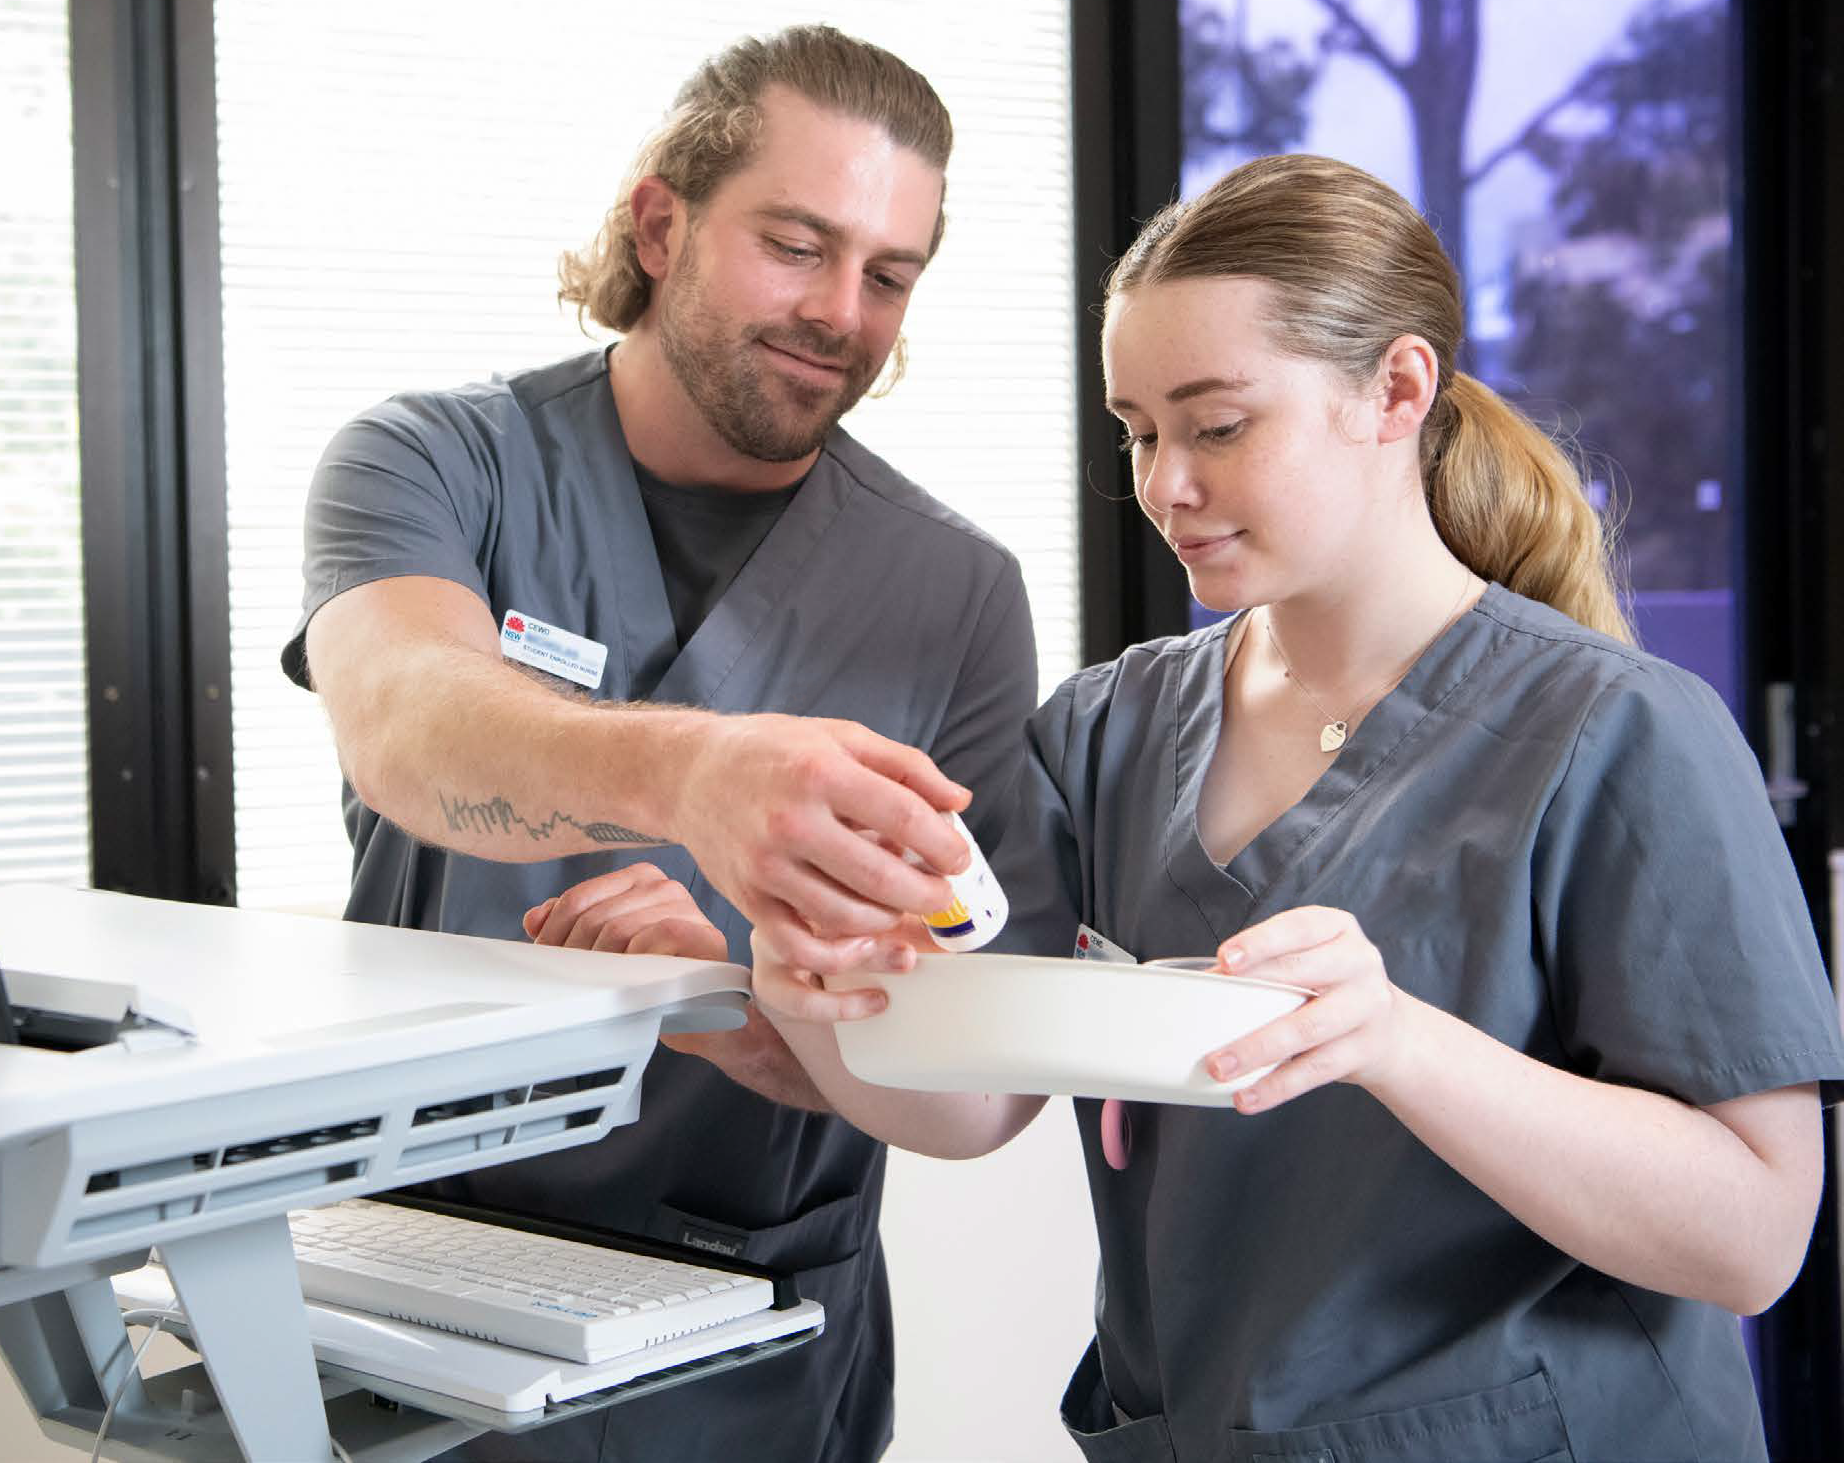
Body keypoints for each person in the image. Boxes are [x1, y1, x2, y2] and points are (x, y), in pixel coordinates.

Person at [726, 153, 1844, 1461]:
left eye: (1217, 425)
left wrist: (1395, 1040)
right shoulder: (1107, 730)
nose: (1164, 485)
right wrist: (820, 1003)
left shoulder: (1620, 732)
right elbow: (984, 1102)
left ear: (1396, 389)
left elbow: (1754, 1236)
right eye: (1137, 431)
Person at [283, 26, 1039, 1463]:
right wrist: (696, 778)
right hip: (407, 1297)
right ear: (659, 220)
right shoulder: (432, 462)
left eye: (889, 274)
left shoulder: (955, 592)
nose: (839, 311)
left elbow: (979, 1068)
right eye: (796, 244)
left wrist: (741, 996)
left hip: (744, 1330)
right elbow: (405, 721)